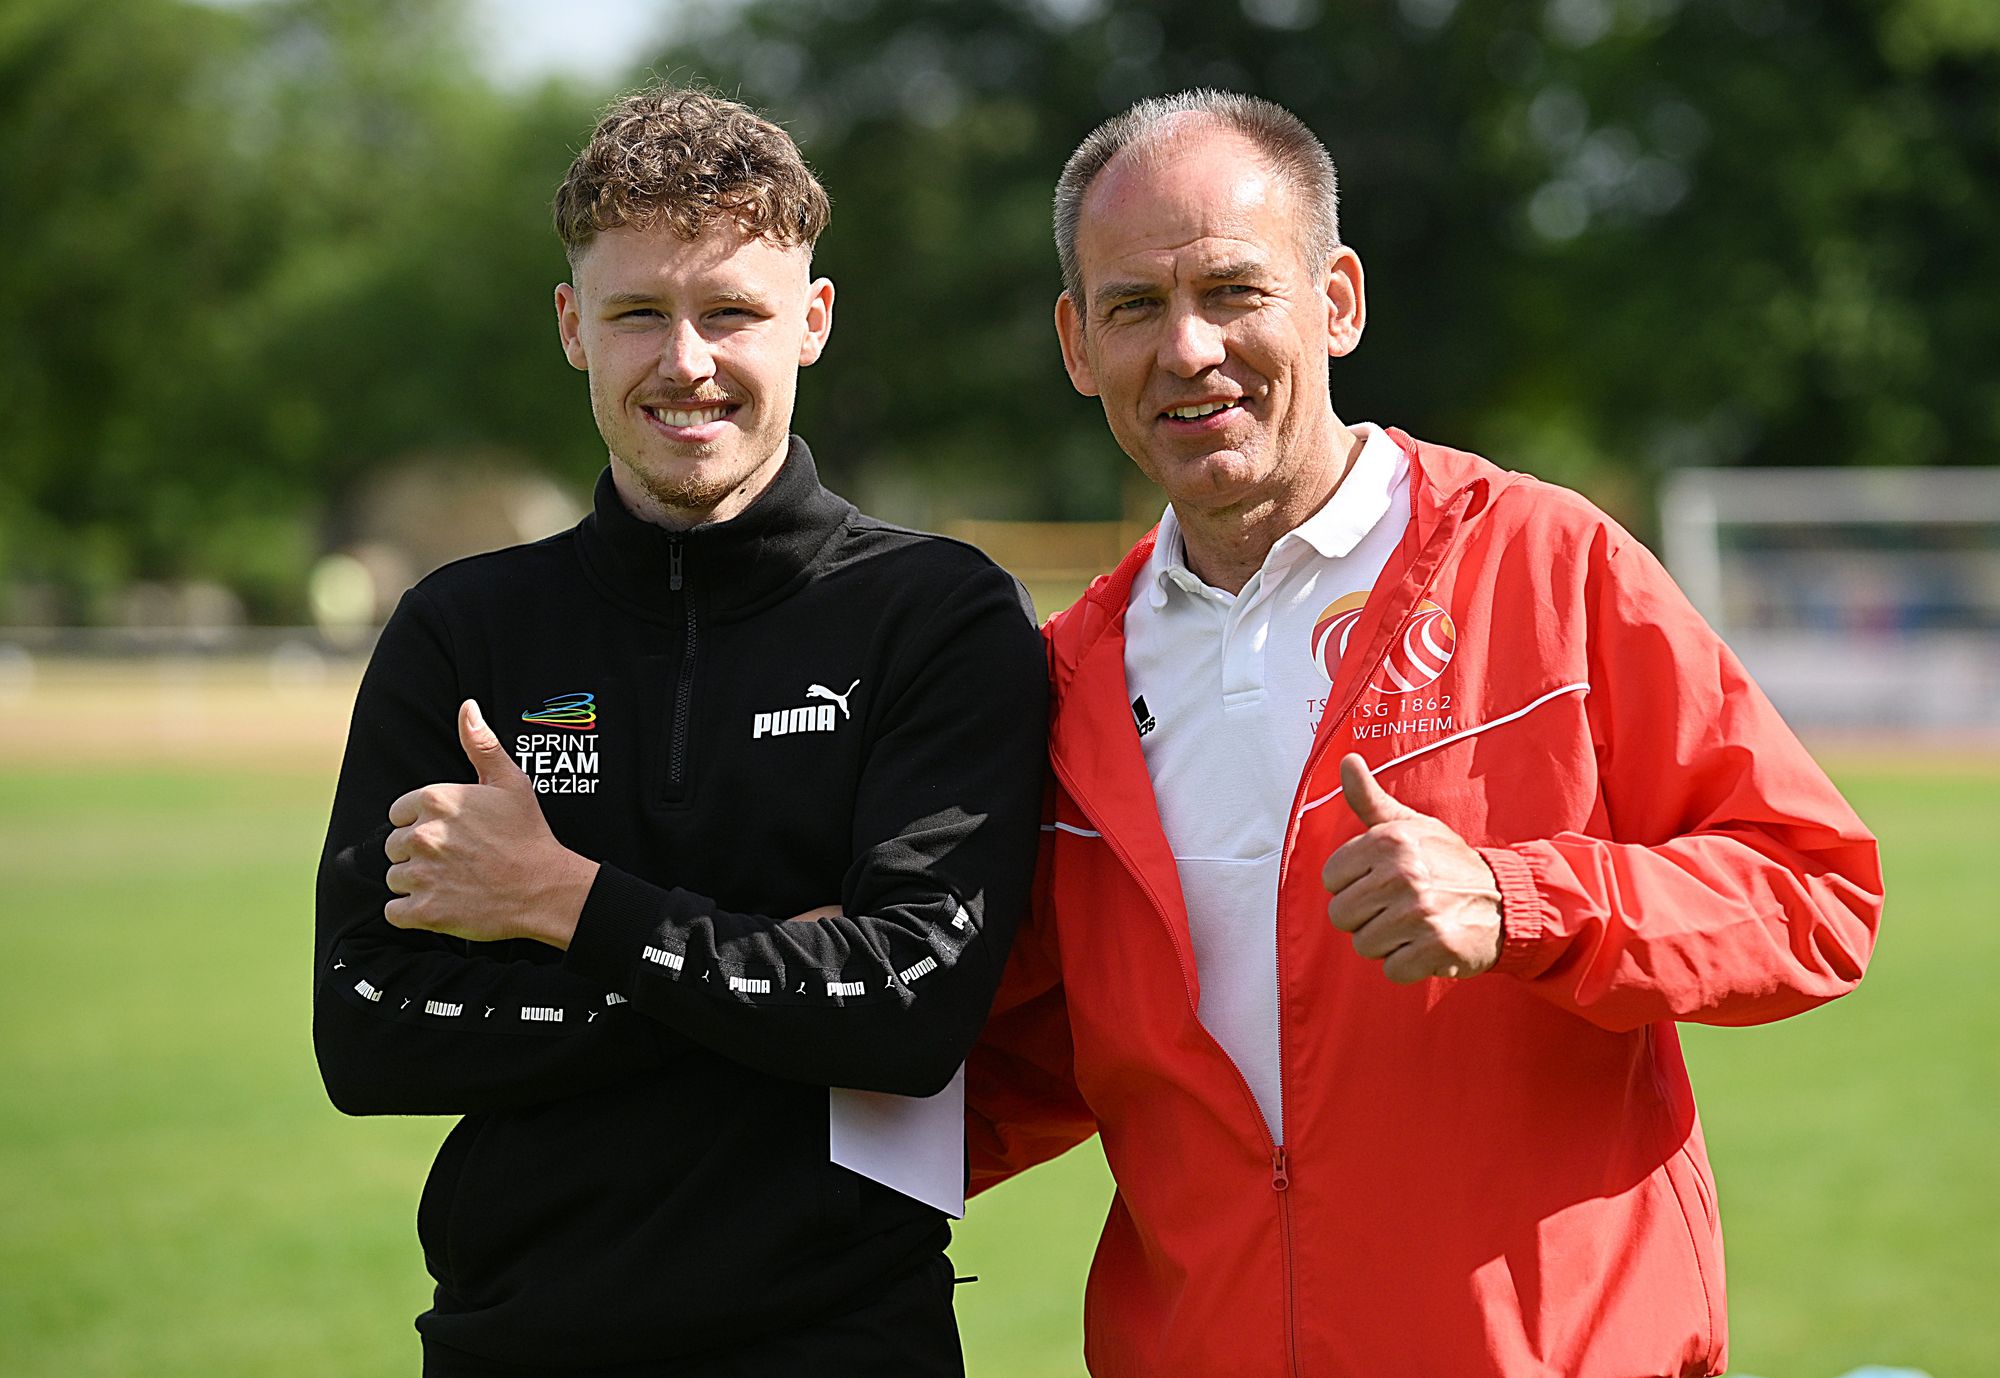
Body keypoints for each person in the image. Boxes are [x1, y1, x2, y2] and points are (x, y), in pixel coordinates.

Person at [966, 90, 1882, 1378]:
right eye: (1133, 306)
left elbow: (1816, 896)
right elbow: (1028, 1054)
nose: (1189, 348)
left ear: (1336, 300)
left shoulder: (1549, 563)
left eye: (1234, 291)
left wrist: (1522, 900)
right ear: (1076, 342)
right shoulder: (1066, 679)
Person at [313, 84, 1046, 1377]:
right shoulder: (463, 630)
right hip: (512, 1343)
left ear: (812, 321)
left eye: (732, 313)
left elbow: (908, 1012)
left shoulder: (935, 615)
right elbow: (369, 1026)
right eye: (639, 313)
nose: (687, 361)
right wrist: (769, 978)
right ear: (572, 326)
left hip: (841, 1343)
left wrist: (561, 901)